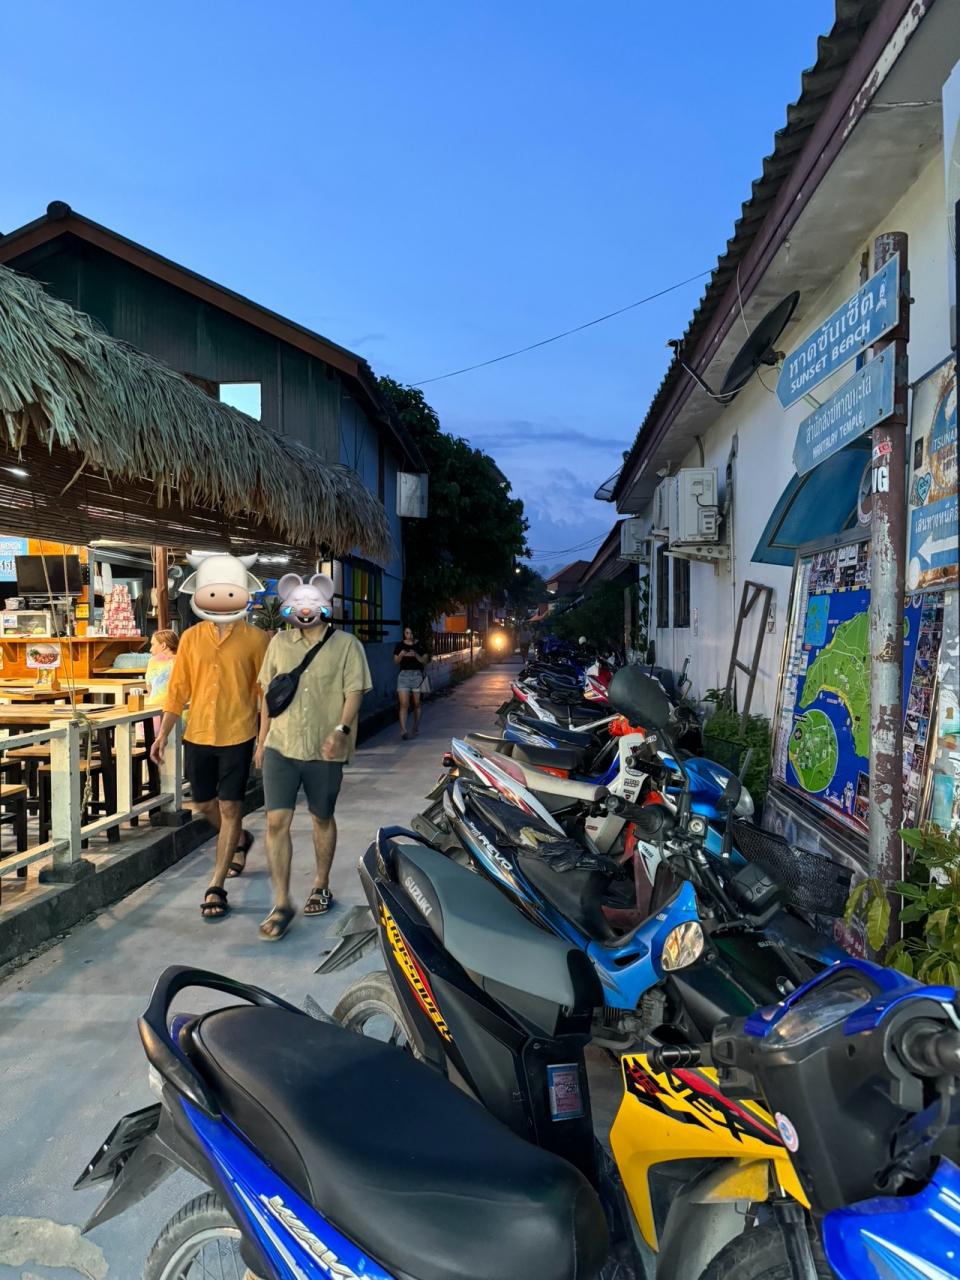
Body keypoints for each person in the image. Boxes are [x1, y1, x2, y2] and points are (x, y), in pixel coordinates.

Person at [150, 553, 269, 920]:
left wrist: (263, 740)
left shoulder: (256, 640)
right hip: (198, 731)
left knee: (231, 806)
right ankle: (241, 839)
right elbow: (178, 690)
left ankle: (216, 884)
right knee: (204, 804)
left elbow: (265, 694)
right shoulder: (190, 639)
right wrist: (163, 733)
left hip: (238, 733)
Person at [255, 572, 372, 942]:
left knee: (321, 817)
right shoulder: (278, 643)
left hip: (325, 748)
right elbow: (268, 694)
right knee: (276, 822)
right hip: (281, 745)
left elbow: (354, 691)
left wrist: (341, 731)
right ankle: (281, 902)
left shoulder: (346, 645)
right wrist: (261, 740)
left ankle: (321, 884)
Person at [394, 626, 429, 739]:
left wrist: (416, 655)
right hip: (403, 676)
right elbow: (396, 661)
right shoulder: (399, 645)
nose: (409, 636)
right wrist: (401, 654)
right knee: (404, 704)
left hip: (417, 676)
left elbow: (425, 660)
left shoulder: (420, 646)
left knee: (417, 703)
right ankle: (403, 730)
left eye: (411, 633)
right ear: (404, 634)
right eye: (407, 633)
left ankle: (415, 727)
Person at [144, 629, 179, 723]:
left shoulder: (154, 661)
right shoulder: (186, 660)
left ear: (163, 645)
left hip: (157, 714)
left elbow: (150, 689)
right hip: (183, 714)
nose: (150, 649)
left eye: (153, 644)